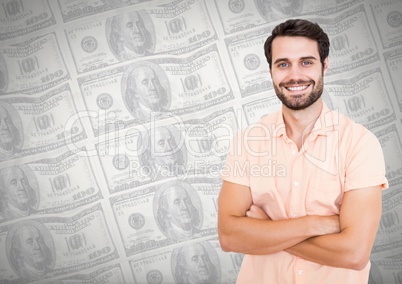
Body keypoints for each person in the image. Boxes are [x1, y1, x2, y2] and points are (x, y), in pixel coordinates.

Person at [218, 19, 388, 284]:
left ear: (325, 65)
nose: (294, 75)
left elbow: (354, 253)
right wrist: (316, 224)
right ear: (271, 71)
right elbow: (229, 237)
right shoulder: (247, 142)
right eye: (283, 64)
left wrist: (266, 230)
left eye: (306, 62)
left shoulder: (359, 143)